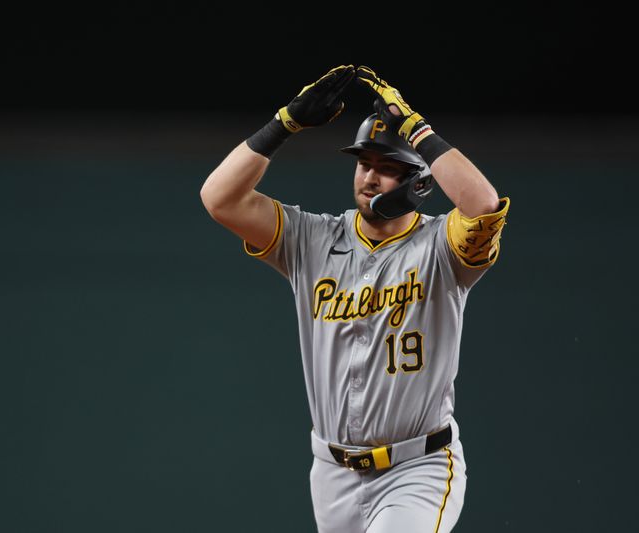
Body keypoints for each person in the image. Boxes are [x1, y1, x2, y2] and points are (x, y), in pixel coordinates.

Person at [199, 64, 510, 533]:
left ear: (421, 182)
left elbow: (484, 205)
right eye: (365, 163)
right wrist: (285, 123)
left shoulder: (443, 246)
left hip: (417, 468)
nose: (370, 177)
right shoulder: (312, 240)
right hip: (331, 473)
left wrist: (419, 132)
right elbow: (219, 198)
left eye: (389, 169)